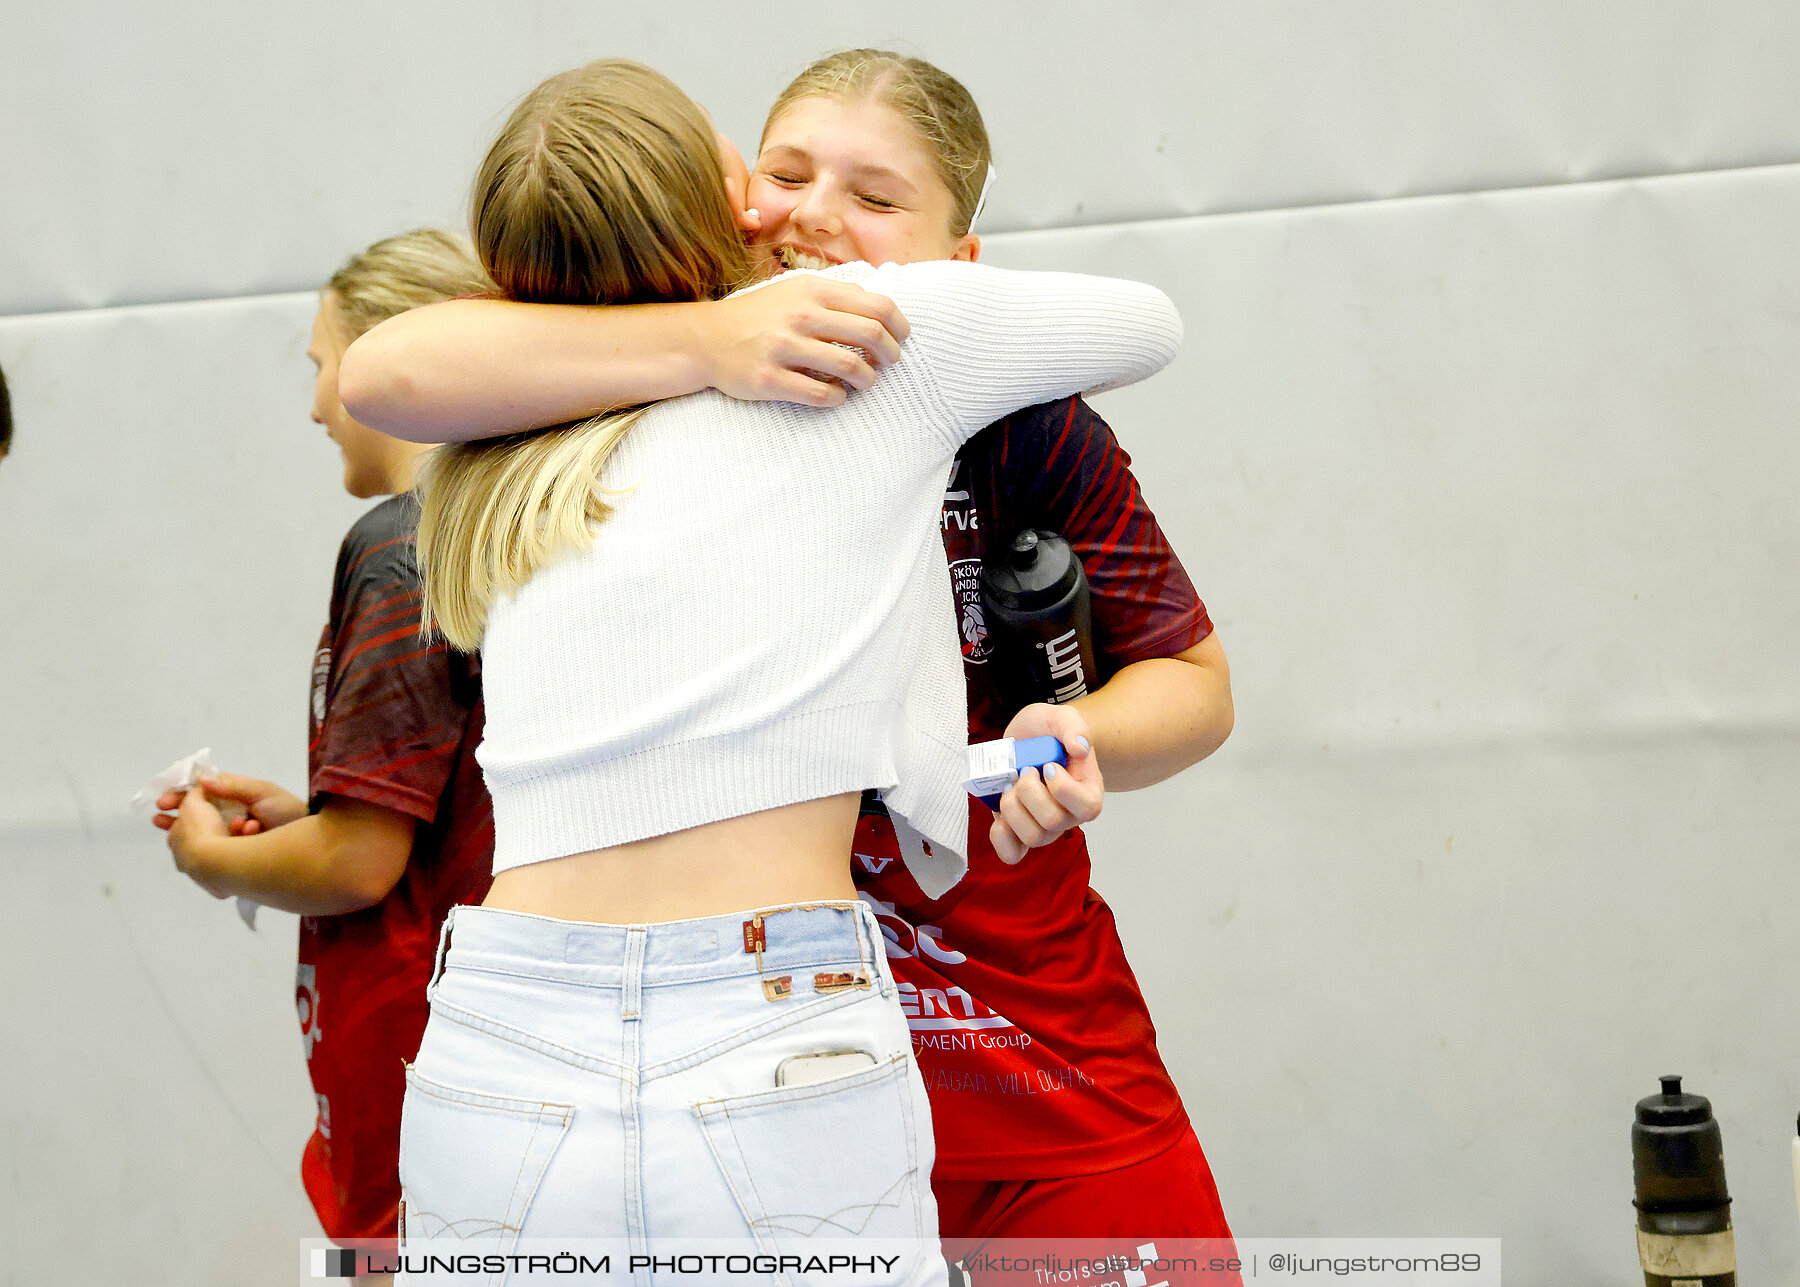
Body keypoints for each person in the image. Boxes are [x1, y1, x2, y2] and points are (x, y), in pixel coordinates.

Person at [343, 50, 1236, 1263]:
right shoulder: (591, 384)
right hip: (782, 1022)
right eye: (786, 174)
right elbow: (383, 367)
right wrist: (711, 338)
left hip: (1000, 1045)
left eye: (874, 199)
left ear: (959, 262)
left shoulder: (994, 406)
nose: (816, 215)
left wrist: (1077, 731)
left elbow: (1194, 689)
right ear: (726, 204)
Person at [153, 230, 497, 1262]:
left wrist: (214, 862)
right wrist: (309, 820)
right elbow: (428, 820)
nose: (313, 406)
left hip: (415, 1047)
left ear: (393, 354)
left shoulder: (401, 543)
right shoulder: (484, 527)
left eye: (322, 367)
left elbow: (360, 863)